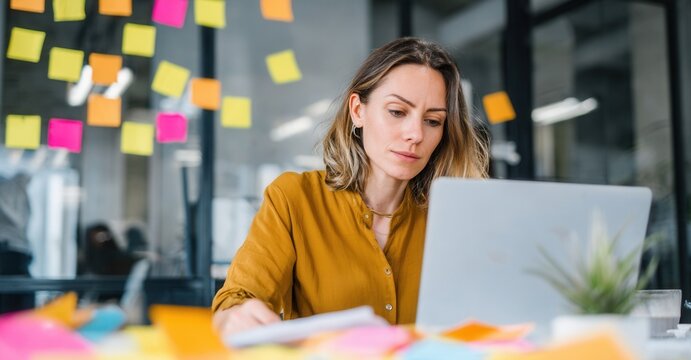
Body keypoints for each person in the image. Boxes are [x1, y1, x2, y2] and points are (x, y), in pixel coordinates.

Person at [212, 37, 489, 336]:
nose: (415, 134)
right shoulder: (294, 198)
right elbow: (235, 301)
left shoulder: (451, 219)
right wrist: (234, 317)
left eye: (433, 121)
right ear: (358, 110)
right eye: (397, 112)